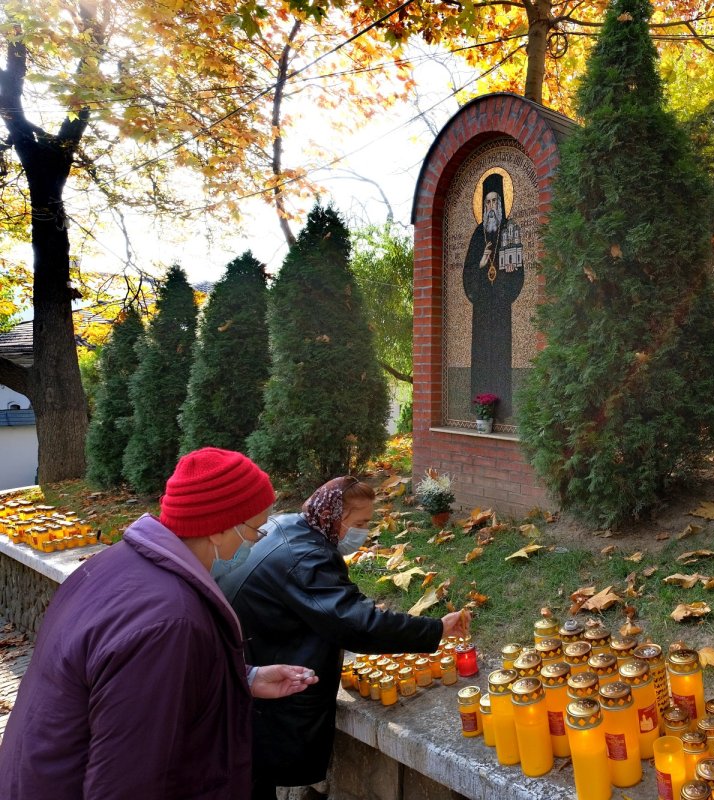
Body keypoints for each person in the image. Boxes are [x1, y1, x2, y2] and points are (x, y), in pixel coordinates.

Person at [0, 448, 318, 800]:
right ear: (217, 529)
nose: (256, 544)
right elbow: (130, 781)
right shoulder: (170, 622)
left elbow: (123, 676)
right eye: (255, 531)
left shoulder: (120, 564)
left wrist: (242, 678)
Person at [218, 476, 471, 800]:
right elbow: (358, 624)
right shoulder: (306, 557)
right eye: (360, 523)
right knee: (252, 783)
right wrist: (435, 629)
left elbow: (334, 600)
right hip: (264, 685)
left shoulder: (293, 525)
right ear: (334, 517)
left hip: (253, 658)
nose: (364, 533)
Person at [463, 168, 525, 416]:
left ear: (501, 202)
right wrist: (481, 262)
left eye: (494, 201)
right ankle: (480, 406)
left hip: (500, 306)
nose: (490, 206)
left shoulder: (510, 229)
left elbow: (519, 272)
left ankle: (503, 408)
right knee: (481, 355)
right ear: (482, 204)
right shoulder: (478, 234)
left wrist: (509, 271)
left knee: (499, 354)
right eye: (486, 202)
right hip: (481, 307)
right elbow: (467, 272)